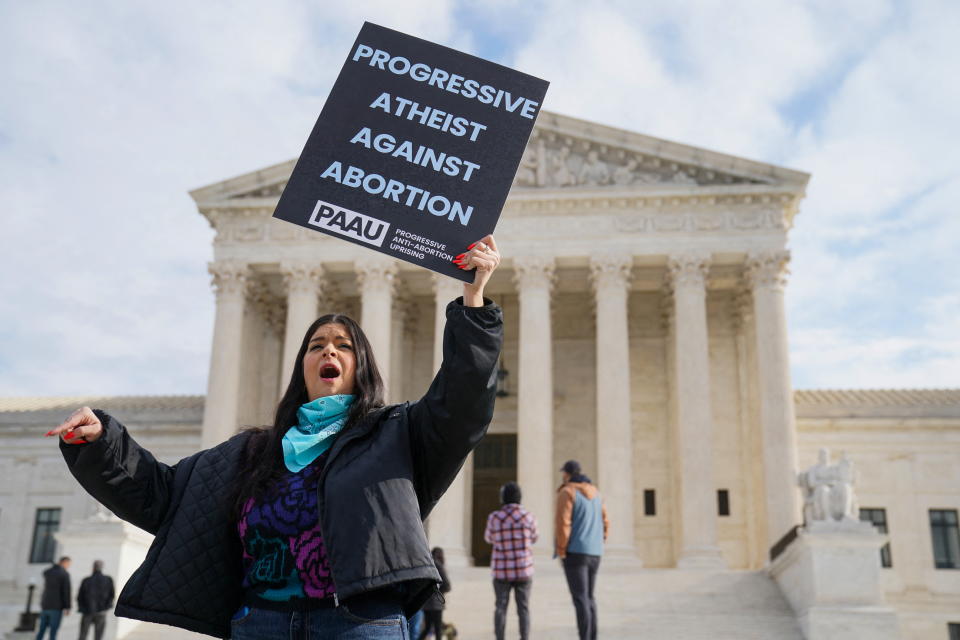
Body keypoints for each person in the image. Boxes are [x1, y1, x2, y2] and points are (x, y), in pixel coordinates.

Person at [47, 236, 503, 639]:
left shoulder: (396, 436)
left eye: (344, 345)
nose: (328, 349)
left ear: (361, 367)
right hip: (261, 622)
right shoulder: (251, 452)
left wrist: (474, 302)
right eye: (316, 344)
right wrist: (103, 441)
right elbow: (162, 495)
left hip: (358, 625)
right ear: (301, 366)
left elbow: (460, 404)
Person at [554, 460, 608, 640]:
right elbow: (606, 522)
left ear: (567, 474)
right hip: (595, 552)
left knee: (580, 598)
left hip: (575, 552)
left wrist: (561, 549)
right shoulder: (596, 493)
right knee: (590, 598)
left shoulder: (567, 492)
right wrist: (600, 541)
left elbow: (563, 524)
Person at [484, 482, 537, 640]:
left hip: (501, 570)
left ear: (503, 498)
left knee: (500, 606)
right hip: (523, 569)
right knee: (524, 608)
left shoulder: (494, 517)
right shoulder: (528, 517)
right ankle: (524, 637)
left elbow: (488, 538)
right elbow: (534, 537)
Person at [77, 560, 115, 640]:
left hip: (87, 612)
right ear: (102, 568)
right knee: (98, 637)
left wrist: (82, 608)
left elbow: (80, 597)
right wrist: (106, 608)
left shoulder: (86, 580)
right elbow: (112, 595)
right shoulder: (108, 580)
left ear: (93, 567)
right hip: (101, 612)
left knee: (82, 636)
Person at [36, 556, 71, 640]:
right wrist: (67, 607)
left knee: (41, 630)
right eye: (68, 564)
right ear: (64, 562)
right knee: (53, 631)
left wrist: (55, 566)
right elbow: (66, 591)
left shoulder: (49, 572)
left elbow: (45, 572)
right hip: (56, 607)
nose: (68, 566)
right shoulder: (64, 574)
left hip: (45, 605)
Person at [418, 547, 449, 640]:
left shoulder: (427, 564)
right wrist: (439, 591)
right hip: (436, 603)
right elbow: (447, 585)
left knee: (427, 629)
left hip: (426, 602)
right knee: (437, 629)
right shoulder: (438, 565)